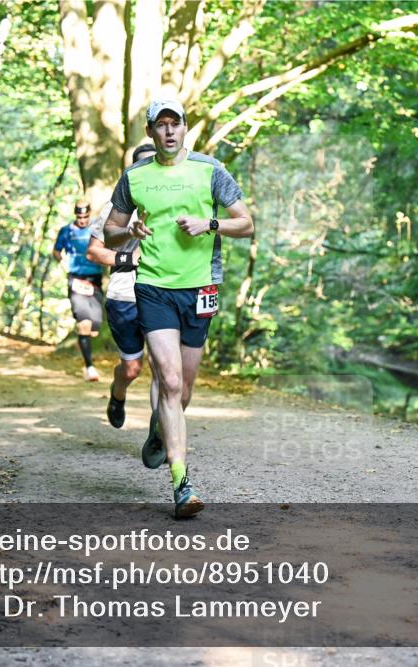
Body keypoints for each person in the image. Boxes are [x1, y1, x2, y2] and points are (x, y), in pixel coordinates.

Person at [103, 99, 254, 518]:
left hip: (201, 286)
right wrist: (127, 230)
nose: (169, 131)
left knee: (183, 390)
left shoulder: (210, 170)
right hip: (153, 287)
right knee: (168, 381)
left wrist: (210, 224)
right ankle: (182, 485)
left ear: (185, 128)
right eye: (161, 125)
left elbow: (246, 223)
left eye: (176, 124)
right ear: (150, 132)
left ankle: (158, 429)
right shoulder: (134, 177)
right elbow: (109, 232)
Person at [85, 144, 159, 432]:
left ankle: (161, 428)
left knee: (163, 367)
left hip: (160, 293)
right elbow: (93, 252)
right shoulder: (116, 209)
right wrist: (129, 258)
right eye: (141, 165)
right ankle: (118, 395)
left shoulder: (174, 203)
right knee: (132, 369)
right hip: (124, 295)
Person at [53, 200, 105, 381]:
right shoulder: (67, 231)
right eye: (79, 217)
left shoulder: (98, 229)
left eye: (85, 217)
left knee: (95, 328)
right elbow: (56, 251)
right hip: (76, 280)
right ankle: (89, 367)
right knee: (83, 323)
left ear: (89, 214)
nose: (82, 220)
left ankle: (85, 346)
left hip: (95, 281)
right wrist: (62, 262)